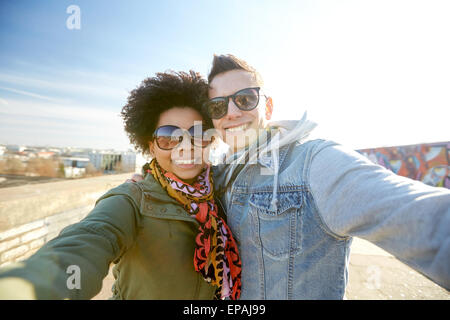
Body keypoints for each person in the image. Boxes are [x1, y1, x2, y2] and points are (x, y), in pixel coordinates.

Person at [133, 54, 450, 299]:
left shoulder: (315, 163)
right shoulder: (223, 174)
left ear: (267, 107)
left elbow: (421, 217)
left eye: (244, 99)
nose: (231, 112)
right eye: (217, 106)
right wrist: (146, 181)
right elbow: (184, 177)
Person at [0, 71, 242, 300]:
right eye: (169, 136)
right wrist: (23, 288)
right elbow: (89, 239)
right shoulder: (132, 199)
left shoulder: (225, 190)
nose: (186, 147)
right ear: (151, 146)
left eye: (198, 134)